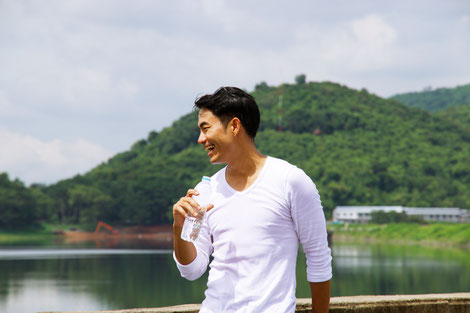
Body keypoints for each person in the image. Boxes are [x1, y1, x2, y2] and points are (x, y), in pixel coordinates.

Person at [172, 86, 332, 313]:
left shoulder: (290, 181)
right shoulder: (206, 191)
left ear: (234, 126)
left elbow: (318, 258)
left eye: (206, 129)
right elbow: (191, 270)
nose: (200, 139)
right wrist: (179, 228)